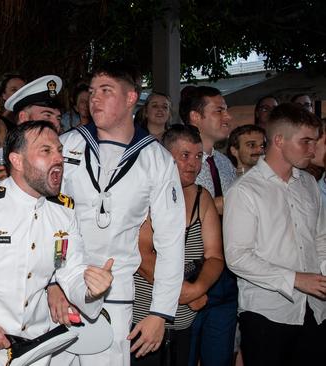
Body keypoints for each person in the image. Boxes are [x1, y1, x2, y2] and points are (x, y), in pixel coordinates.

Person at [0, 120, 115, 366]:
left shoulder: (63, 212)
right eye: (46, 151)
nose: (59, 159)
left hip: (37, 349)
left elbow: (70, 271)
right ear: (17, 161)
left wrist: (91, 289)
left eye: (60, 151)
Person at [52, 61, 185, 366]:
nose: (94, 98)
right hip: (59, 292)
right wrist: (51, 284)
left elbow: (171, 240)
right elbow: (46, 221)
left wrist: (160, 312)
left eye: (106, 91)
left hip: (114, 295)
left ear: (130, 98)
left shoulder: (156, 159)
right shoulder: (67, 145)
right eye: (92, 91)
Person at [224, 103, 326, 366]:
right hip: (265, 313)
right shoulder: (245, 191)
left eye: (314, 142)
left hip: (314, 308)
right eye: (306, 142)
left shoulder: (309, 184)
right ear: (279, 140)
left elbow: (320, 240)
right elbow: (237, 257)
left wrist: (322, 275)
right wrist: (295, 279)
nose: (313, 150)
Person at [132, 124, 224, 366]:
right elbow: (142, 255)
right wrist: (183, 293)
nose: (193, 163)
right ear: (165, 156)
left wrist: (197, 289)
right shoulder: (146, 194)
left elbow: (215, 256)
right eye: (185, 156)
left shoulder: (202, 197)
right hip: (145, 319)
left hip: (186, 322)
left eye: (198, 156)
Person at [179, 85, 238, 366]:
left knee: (220, 357)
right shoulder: (173, 163)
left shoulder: (225, 164)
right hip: (190, 275)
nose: (227, 116)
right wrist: (219, 205)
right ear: (195, 117)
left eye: (226, 110)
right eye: (219, 110)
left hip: (226, 275)